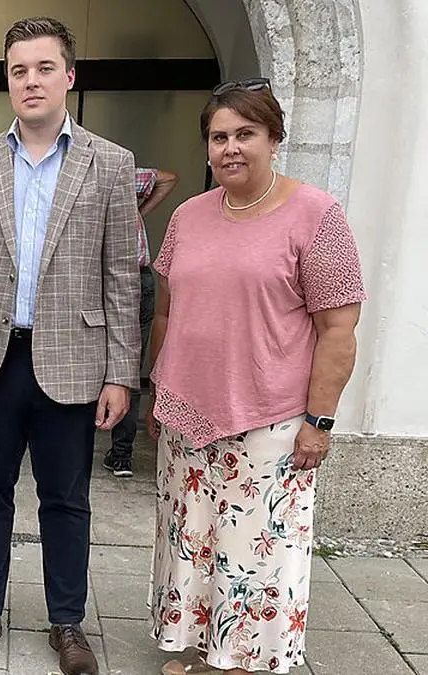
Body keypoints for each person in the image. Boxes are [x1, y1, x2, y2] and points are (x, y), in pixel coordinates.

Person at [0, 17, 141, 675]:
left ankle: (67, 622)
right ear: (8, 79)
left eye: (44, 68)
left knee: (67, 497)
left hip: (73, 364)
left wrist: (121, 374)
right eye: (19, 69)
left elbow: (119, 276)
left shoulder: (111, 164)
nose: (31, 80)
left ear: (69, 77)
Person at [146, 79, 365, 675]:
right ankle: (200, 647)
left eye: (245, 134)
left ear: (274, 137)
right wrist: (157, 391)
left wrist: (319, 422)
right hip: (188, 413)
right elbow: (166, 308)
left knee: (256, 549)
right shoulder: (189, 215)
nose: (230, 148)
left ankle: (240, 662)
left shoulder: (316, 214)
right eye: (219, 137)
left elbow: (339, 330)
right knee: (192, 539)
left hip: (270, 417)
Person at [102, 167, 179, 478]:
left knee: (91, 363)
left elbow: (167, 177)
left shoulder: (109, 173)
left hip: (109, 279)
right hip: (134, 277)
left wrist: (140, 208)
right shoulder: (119, 175)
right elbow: (167, 177)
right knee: (128, 365)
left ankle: (105, 449)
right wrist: (138, 210)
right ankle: (121, 453)